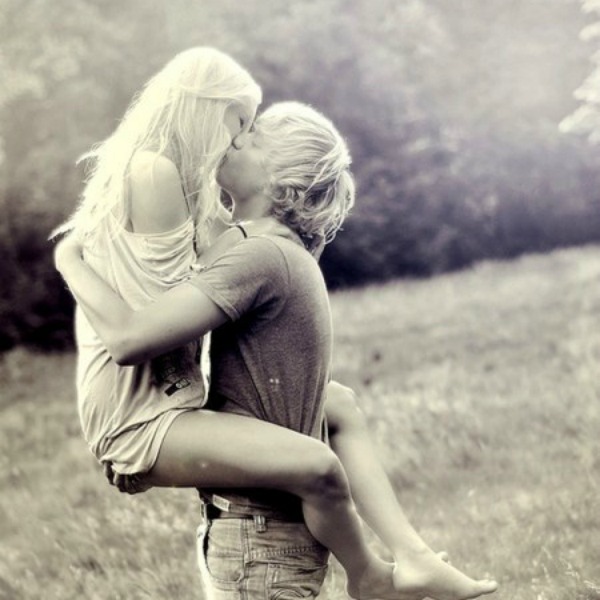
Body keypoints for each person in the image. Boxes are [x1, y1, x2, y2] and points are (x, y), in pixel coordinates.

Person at [55, 93, 498, 600]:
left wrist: (69, 260)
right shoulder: (266, 246)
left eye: (253, 137)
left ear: (279, 181)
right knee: (337, 403)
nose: (235, 139)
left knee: (322, 450)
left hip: (259, 544)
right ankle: (411, 557)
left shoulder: (258, 255)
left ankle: (373, 575)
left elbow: (130, 339)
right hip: (257, 537)